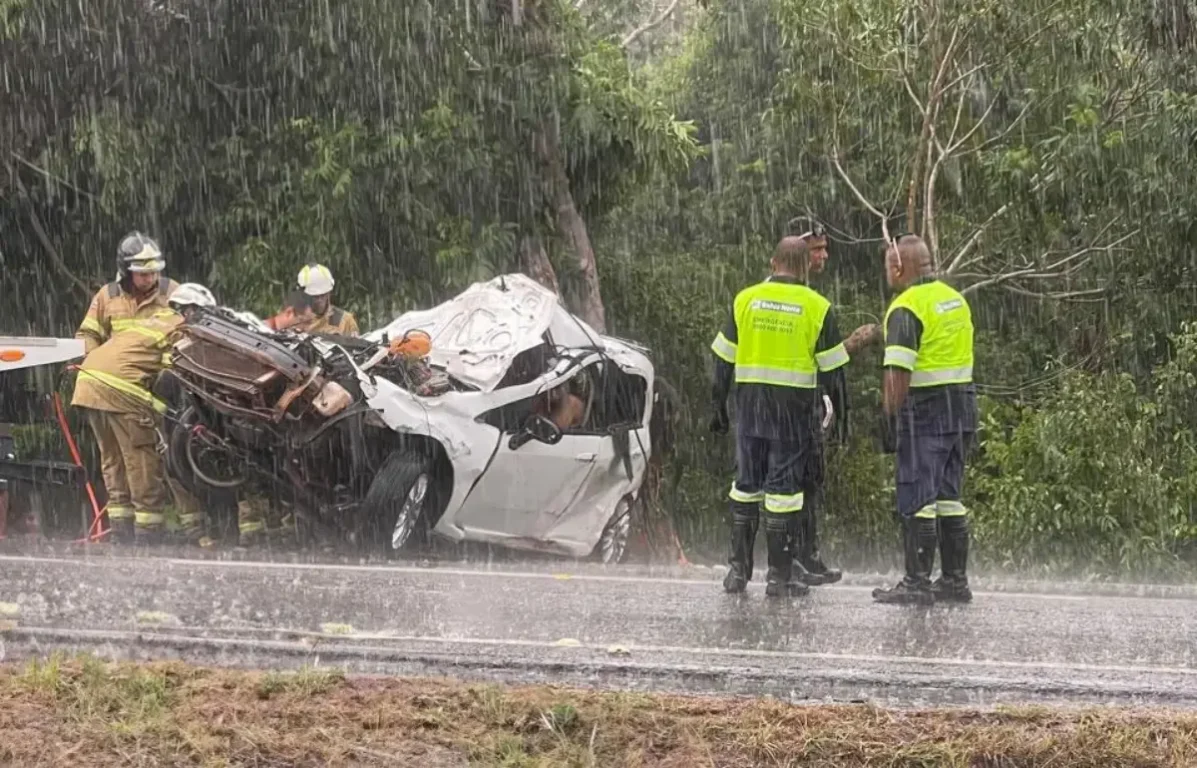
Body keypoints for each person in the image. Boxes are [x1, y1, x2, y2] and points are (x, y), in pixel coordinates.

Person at [709, 236, 851, 597]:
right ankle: (779, 576)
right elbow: (835, 373)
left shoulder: (746, 299)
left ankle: (738, 572)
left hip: (750, 409)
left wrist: (717, 409)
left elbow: (722, 359)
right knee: (785, 493)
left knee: (745, 488)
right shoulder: (817, 306)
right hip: (792, 413)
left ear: (773, 263)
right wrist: (843, 420)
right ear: (805, 269)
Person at [873, 234, 977, 605]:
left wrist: (888, 417)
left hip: (926, 409)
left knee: (917, 494)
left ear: (899, 268)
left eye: (888, 266)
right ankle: (953, 579)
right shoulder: (955, 299)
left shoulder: (907, 307)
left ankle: (916, 582)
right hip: (962, 405)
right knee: (949, 496)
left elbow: (898, 371)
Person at [786, 219, 881, 586]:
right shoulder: (780, 295)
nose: (824, 255)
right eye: (816, 249)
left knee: (810, 482)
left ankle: (808, 556)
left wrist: (835, 407)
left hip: (808, 402)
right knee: (786, 486)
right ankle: (787, 559)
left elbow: (824, 361)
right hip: (781, 404)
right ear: (797, 251)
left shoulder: (813, 297)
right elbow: (825, 361)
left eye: (825, 248)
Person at [72, 232, 180, 544]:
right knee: (128, 459)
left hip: (148, 388)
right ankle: (139, 531)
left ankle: (133, 528)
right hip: (120, 388)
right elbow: (87, 333)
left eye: (154, 271)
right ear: (126, 270)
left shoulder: (172, 293)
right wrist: (97, 360)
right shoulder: (107, 296)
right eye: (144, 273)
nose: (151, 278)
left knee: (140, 458)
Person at [294, 263, 359, 336]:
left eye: (323, 295)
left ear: (329, 293)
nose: (319, 300)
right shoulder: (293, 321)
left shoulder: (345, 321)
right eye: (314, 296)